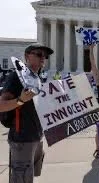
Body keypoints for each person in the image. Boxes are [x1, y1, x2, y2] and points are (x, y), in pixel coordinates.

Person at [0, 43, 54, 183]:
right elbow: (1, 105)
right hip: (22, 139)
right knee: (21, 178)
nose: (43, 58)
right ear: (26, 57)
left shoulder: (39, 79)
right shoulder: (16, 77)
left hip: (36, 136)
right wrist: (20, 100)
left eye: (45, 56)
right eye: (38, 54)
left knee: (28, 176)